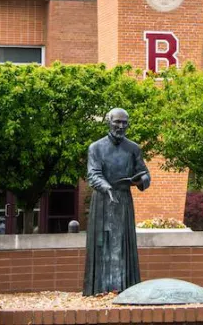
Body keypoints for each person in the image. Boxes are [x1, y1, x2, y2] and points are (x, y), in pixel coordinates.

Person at [82, 107, 151, 296]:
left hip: (124, 201)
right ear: (109, 122)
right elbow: (93, 174)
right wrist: (107, 188)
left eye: (124, 123)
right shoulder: (96, 147)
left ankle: (125, 287)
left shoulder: (133, 148)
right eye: (117, 122)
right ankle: (100, 288)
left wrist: (140, 180)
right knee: (102, 242)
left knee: (123, 243)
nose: (121, 126)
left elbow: (145, 174)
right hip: (104, 199)